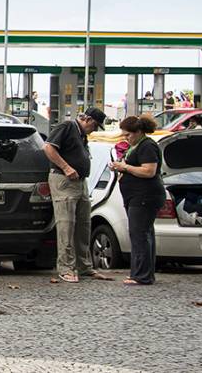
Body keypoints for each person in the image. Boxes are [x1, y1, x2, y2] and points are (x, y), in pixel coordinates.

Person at [43, 107, 109, 283]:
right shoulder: (67, 127)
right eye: (94, 125)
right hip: (64, 181)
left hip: (80, 183)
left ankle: (84, 266)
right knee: (66, 225)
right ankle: (66, 268)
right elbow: (48, 148)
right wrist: (66, 167)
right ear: (87, 119)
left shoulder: (82, 135)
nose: (95, 130)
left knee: (83, 225)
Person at [109, 115, 165, 286]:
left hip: (144, 196)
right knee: (144, 233)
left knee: (139, 233)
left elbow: (149, 171)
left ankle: (141, 275)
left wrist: (124, 167)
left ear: (139, 132)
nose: (126, 138)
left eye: (128, 135)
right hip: (136, 196)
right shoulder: (135, 146)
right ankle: (144, 273)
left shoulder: (147, 146)